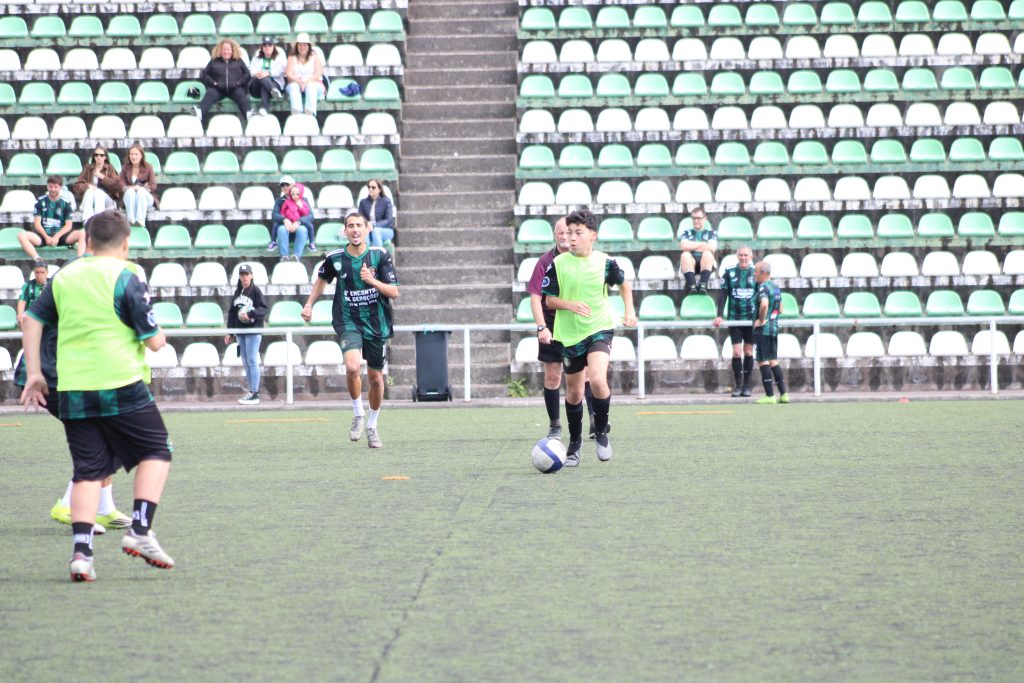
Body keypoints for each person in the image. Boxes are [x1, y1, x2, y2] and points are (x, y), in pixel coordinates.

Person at [20, 209, 176, 582]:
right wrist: (159, 335)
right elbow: (154, 342)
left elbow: (31, 319)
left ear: (87, 241)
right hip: (120, 383)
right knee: (158, 450)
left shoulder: (64, 276)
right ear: (126, 243)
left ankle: (82, 554)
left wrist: (35, 373)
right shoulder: (127, 276)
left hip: (73, 387)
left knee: (89, 470)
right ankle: (140, 530)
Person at [14, 258, 132, 535]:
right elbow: (30, 320)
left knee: (106, 436)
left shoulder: (83, 274)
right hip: (55, 377)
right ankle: (68, 505)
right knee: (106, 438)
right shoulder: (81, 278)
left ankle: (103, 508)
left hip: (62, 373)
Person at [541, 208, 636, 467]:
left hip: (599, 328)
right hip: (570, 336)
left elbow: (624, 285)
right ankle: (575, 443)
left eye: (578, 233)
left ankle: (602, 431)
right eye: (569, 233)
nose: (571, 238)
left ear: (592, 235)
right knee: (573, 393)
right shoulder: (558, 264)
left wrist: (629, 311)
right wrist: (569, 305)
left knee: (596, 379)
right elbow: (549, 301)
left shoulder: (606, 263)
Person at [300, 210, 399, 448]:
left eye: (359, 225)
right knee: (353, 368)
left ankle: (372, 426)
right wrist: (309, 304)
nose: (355, 230)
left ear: (367, 229)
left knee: (376, 379)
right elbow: (321, 280)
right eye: (350, 226)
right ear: (345, 231)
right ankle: (358, 414)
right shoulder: (335, 258)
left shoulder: (380, 255)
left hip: (376, 323)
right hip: (348, 321)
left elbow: (394, 292)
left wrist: (372, 281)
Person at [713, 245, 757, 397]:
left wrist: (761, 316)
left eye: (746, 255)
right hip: (735, 318)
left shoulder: (756, 273)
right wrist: (719, 315)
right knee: (737, 352)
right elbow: (723, 294)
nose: (743, 258)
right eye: (741, 255)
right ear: (737, 256)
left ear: (751, 257)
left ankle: (747, 386)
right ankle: (738, 386)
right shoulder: (729, 272)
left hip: (751, 319)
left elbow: (761, 295)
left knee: (748, 351)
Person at [225, 264, 268, 405]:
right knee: (246, 361)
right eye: (242, 275)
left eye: (246, 274)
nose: (244, 277)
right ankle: (251, 391)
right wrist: (230, 332)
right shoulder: (238, 292)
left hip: (253, 331)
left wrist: (250, 314)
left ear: (251, 275)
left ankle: (254, 392)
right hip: (241, 332)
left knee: (252, 360)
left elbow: (263, 309)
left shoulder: (256, 291)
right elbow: (232, 314)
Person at [751, 260, 790, 405]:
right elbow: (781, 309)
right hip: (774, 328)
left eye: (756, 272)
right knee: (773, 360)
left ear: (763, 273)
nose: (754, 274)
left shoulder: (763, 288)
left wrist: (761, 320)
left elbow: (764, 304)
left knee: (763, 360)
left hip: (763, 330)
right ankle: (784, 394)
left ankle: (769, 395)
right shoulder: (775, 287)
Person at [20, 177, 83, 261]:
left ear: (60, 187)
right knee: (21, 235)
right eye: (50, 186)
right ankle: (38, 259)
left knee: (82, 233)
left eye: (56, 187)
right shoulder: (40, 202)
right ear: (47, 186)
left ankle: (79, 260)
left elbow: (68, 225)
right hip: (44, 235)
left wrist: (57, 236)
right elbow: (37, 224)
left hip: (61, 236)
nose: (53, 189)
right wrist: (46, 237)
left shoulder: (66, 204)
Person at [194, 38, 251, 125]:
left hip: (234, 88)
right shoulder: (214, 61)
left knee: (241, 95)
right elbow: (205, 74)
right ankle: (200, 112)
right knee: (210, 94)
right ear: (220, 50)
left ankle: (248, 114)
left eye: (228, 49)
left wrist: (239, 83)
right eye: (224, 49)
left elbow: (247, 74)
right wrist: (214, 83)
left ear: (232, 50)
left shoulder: (239, 61)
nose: (226, 52)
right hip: (218, 89)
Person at [268, 176, 315, 260]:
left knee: (302, 229)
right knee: (281, 229)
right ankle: (284, 257)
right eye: (282, 185)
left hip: (300, 229)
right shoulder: (280, 201)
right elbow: (274, 215)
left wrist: (299, 222)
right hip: (285, 230)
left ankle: (296, 257)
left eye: (287, 184)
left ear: (293, 185)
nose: (284, 187)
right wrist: (284, 220)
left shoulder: (303, 200)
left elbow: (310, 216)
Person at [72, 147, 122, 224]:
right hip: (90, 199)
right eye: (96, 155)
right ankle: (87, 221)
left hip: (107, 200)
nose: (99, 157)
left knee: (98, 193)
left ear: (105, 157)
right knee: (90, 191)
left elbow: (117, 186)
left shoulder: (110, 168)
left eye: (101, 155)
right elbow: (77, 185)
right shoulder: (88, 168)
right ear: (94, 156)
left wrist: (103, 177)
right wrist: (88, 186)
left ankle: (99, 221)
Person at [678, 206, 717, 295]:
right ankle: (692, 287)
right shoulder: (686, 232)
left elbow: (712, 247)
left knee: (707, 254)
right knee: (685, 255)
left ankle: (703, 285)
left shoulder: (711, 233)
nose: (696, 221)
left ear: (705, 218)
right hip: (690, 264)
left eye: (699, 218)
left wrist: (691, 246)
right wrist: (702, 244)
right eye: (694, 218)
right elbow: (684, 246)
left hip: (706, 264)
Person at [118, 142, 159, 228]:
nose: (133, 157)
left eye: (136, 154)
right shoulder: (125, 168)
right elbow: (120, 185)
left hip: (146, 198)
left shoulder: (148, 167)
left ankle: (140, 221)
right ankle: (131, 221)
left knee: (141, 192)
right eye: (131, 154)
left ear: (141, 156)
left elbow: (153, 185)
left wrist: (141, 188)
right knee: (130, 192)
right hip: (130, 197)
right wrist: (132, 188)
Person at [286, 33, 325, 116]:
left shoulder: (315, 56)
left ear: (308, 46)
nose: (302, 47)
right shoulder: (291, 57)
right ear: (297, 46)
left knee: (311, 86)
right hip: (296, 83)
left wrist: (306, 82)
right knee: (294, 86)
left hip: (314, 83)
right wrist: (299, 82)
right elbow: (289, 74)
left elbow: (318, 74)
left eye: (304, 45)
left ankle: (310, 113)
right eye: (300, 45)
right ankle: (296, 113)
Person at [249, 36, 287, 116]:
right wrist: (258, 73)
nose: (267, 47)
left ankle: (264, 109)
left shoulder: (279, 57)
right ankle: (273, 90)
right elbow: (251, 70)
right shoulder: (257, 56)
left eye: (270, 45)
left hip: (275, 83)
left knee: (265, 85)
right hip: (256, 87)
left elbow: (282, 70)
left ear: (273, 46)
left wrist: (269, 73)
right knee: (262, 78)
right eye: (265, 45)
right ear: (262, 47)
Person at [358, 179, 395, 248]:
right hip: (368, 229)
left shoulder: (386, 201)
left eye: (373, 187)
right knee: (364, 231)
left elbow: (388, 220)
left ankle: (377, 254)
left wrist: (374, 225)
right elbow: (360, 218)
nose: (370, 189)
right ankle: (366, 253)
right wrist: (367, 224)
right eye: (369, 187)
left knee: (375, 231)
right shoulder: (363, 202)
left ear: (379, 189)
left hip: (385, 230)